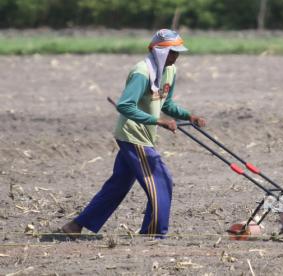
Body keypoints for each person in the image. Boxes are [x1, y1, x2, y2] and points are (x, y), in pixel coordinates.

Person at [62, 29, 206, 238]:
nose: (177, 56)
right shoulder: (141, 72)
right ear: (160, 52)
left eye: (178, 52)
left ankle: (75, 226)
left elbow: (167, 103)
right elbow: (125, 106)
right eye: (173, 52)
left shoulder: (170, 70)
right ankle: (153, 233)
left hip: (144, 135)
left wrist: (189, 116)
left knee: (118, 185)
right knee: (161, 179)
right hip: (133, 135)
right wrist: (158, 121)